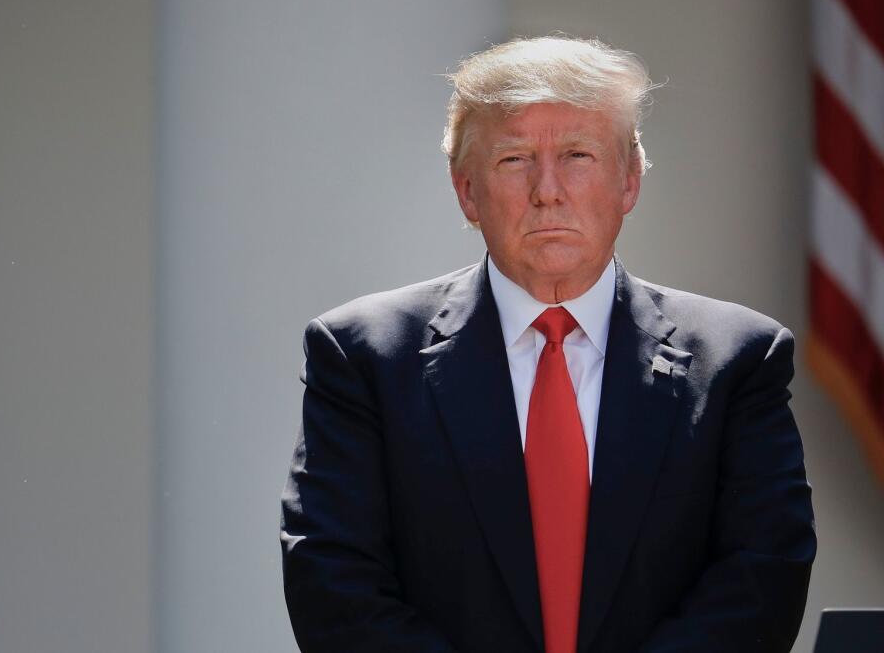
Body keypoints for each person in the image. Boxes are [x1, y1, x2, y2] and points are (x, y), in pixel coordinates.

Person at [279, 36, 816, 653]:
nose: (548, 190)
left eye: (579, 155)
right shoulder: (362, 357)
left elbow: (762, 575)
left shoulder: (739, 359)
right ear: (467, 192)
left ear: (630, 182)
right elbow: (334, 583)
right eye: (514, 159)